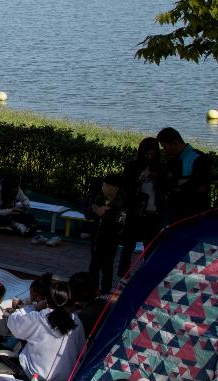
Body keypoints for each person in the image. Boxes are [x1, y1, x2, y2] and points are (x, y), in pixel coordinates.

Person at [2, 279, 86, 381]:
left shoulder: (39, 317)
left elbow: (13, 322)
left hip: (37, 376)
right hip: (66, 379)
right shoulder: (75, 320)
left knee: (19, 344)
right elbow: (82, 351)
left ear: (47, 300)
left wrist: (33, 307)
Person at [121, 137, 162, 277]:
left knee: (150, 247)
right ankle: (124, 276)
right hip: (135, 212)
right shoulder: (132, 166)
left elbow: (166, 188)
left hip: (153, 213)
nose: (150, 157)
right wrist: (138, 180)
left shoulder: (160, 168)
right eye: (147, 154)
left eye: (153, 154)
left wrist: (156, 179)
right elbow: (125, 186)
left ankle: (146, 276)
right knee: (128, 246)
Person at [156, 126, 213, 223]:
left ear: (175, 143)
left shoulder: (200, 159)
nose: (164, 150)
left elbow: (199, 186)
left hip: (196, 215)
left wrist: (176, 185)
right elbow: (163, 184)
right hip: (175, 215)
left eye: (165, 147)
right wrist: (183, 183)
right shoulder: (171, 161)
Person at [88, 175, 128, 295]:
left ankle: (105, 291)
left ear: (114, 188)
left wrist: (103, 215)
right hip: (96, 237)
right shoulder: (99, 198)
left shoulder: (121, 202)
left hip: (111, 239)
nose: (103, 187)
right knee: (94, 265)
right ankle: (93, 290)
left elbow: (120, 223)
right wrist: (93, 211)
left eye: (106, 185)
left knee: (107, 266)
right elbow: (89, 214)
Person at [68, 271, 105, 337]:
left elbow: (73, 333)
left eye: (73, 290)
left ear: (85, 292)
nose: (70, 294)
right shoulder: (102, 303)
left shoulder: (85, 315)